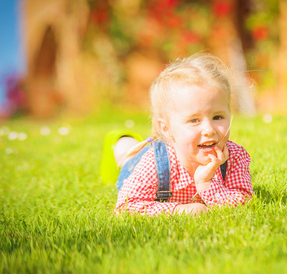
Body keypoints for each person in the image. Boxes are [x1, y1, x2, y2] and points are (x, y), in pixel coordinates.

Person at [100, 53, 254, 216]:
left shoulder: (234, 156)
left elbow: (244, 200)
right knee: (128, 155)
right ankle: (122, 141)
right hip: (140, 162)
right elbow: (125, 207)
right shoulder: (153, 163)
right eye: (194, 120)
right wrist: (179, 210)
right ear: (166, 128)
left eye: (218, 117)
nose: (209, 129)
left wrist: (207, 185)